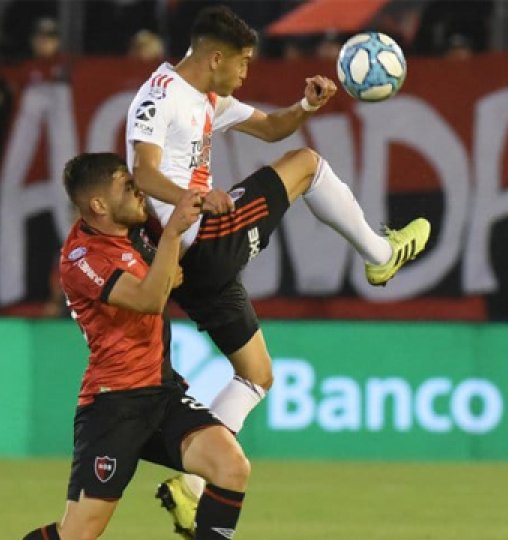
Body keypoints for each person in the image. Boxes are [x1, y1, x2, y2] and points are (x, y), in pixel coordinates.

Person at [124, 5, 431, 534]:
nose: (246, 72)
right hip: (201, 242)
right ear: (214, 57)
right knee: (308, 166)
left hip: (195, 268)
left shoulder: (206, 96)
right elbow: (142, 172)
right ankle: (379, 256)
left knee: (257, 375)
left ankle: (192, 486)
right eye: (242, 63)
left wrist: (304, 106)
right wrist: (193, 198)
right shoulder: (160, 96)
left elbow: (269, 128)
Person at [21, 153, 251, 540]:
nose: (137, 190)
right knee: (78, 533)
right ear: (98, 205)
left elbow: (162, 280)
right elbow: (148, 299)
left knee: (231, 466)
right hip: (114, 406)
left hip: (161, 393)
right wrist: (172, 240)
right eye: (126, 186)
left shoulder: (134, 231)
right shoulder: (82, 257)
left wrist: (166, 267)